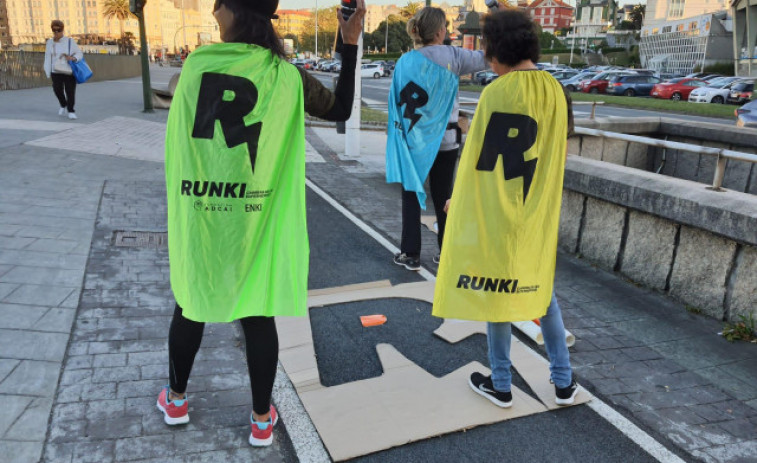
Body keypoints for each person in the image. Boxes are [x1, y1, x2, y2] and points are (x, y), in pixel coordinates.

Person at [160, 0, 366, 447]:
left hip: (204, 221)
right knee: (256, 313)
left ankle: (175, 399)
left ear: (233, 14)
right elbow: (342, 108)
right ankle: (259, 420)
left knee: (191, 303)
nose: (213, 13)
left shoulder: (195, 67)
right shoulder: (287, 77)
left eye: (219, 6)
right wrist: (348, 46)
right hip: (255, 222)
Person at [432, 9, 577, 408]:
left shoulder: (496, 93)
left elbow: (478, 161)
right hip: (537, 214)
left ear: (497, 52)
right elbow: (559, 151)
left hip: (499, 212)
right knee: (540, 290)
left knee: (496, 293)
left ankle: (501, 383)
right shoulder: (557, 91)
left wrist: (457, 202)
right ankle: (563, 383)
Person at [386, 6, 496, 271]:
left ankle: (410, 253)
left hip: (414, 141)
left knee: (411, 194)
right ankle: (447, 252)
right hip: (446, 139)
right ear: (439, 32)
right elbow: (488, 58)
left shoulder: (404, 62)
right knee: (444, 196)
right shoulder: (454, 56)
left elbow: (396, 106)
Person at [43, 20, 83, 120]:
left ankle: (71, 111)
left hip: (68, 70)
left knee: (70, 91)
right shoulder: (50, 42)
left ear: (63, 30)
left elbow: (79, 53)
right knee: (57, 90)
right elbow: (47, 57)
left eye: (59, 30)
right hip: (55, 71)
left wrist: (73, 58)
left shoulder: (69, 41)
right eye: (54, 30)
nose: (56, 32)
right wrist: (47, 71)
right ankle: (63, 104)